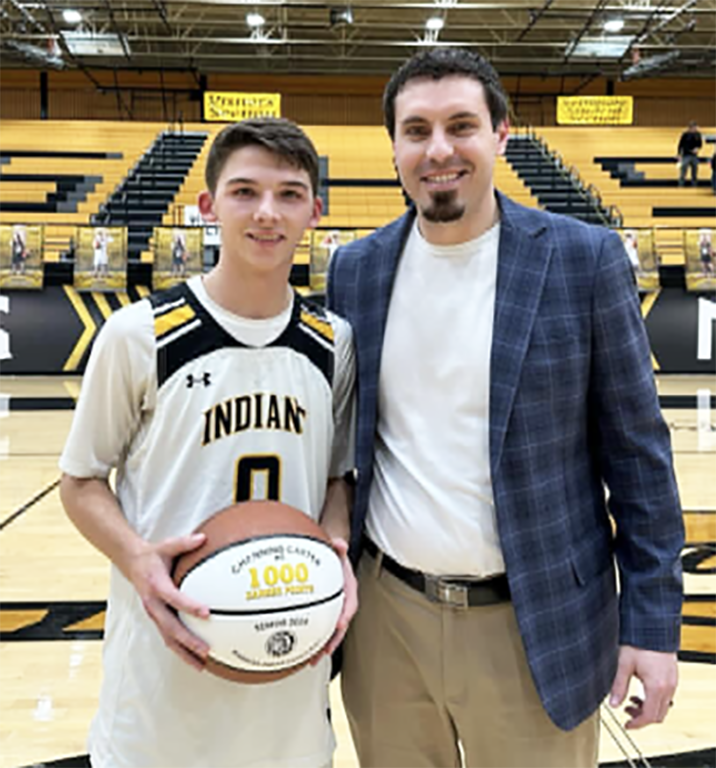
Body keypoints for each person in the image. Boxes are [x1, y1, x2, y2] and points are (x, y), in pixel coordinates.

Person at [327, 48, 684, 768]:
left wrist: (652, 625)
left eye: (461, 125)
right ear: (393, 145)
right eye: (417, 129)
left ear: (501, 135)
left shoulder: (585, 260)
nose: (439, 150)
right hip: (386, 624)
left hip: (536, 624)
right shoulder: (355, 270)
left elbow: (640, 458)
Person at [59, 117, 357, 768]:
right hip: (163, 685)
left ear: (316, 210)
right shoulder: (138, 335)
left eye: (289, 193)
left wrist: (336, 555)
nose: (266, 213)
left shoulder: (334, 342)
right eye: (244, 191)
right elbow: (80, 481)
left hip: (290, 670)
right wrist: (137, 559)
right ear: (207, 206)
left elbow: (339, 478)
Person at [677, 120, 702, 186]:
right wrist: (679, 154)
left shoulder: (698, 134)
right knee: (683, 171)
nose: (695, 129)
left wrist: (697, 148)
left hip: (694, 155)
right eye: (693, 127)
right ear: (690, 128)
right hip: (686, 155)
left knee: (695, 171)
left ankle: (694, 185)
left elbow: (700, 144)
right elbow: (680, 145)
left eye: (695, 127)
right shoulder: (685, 134)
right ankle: (681, 185)